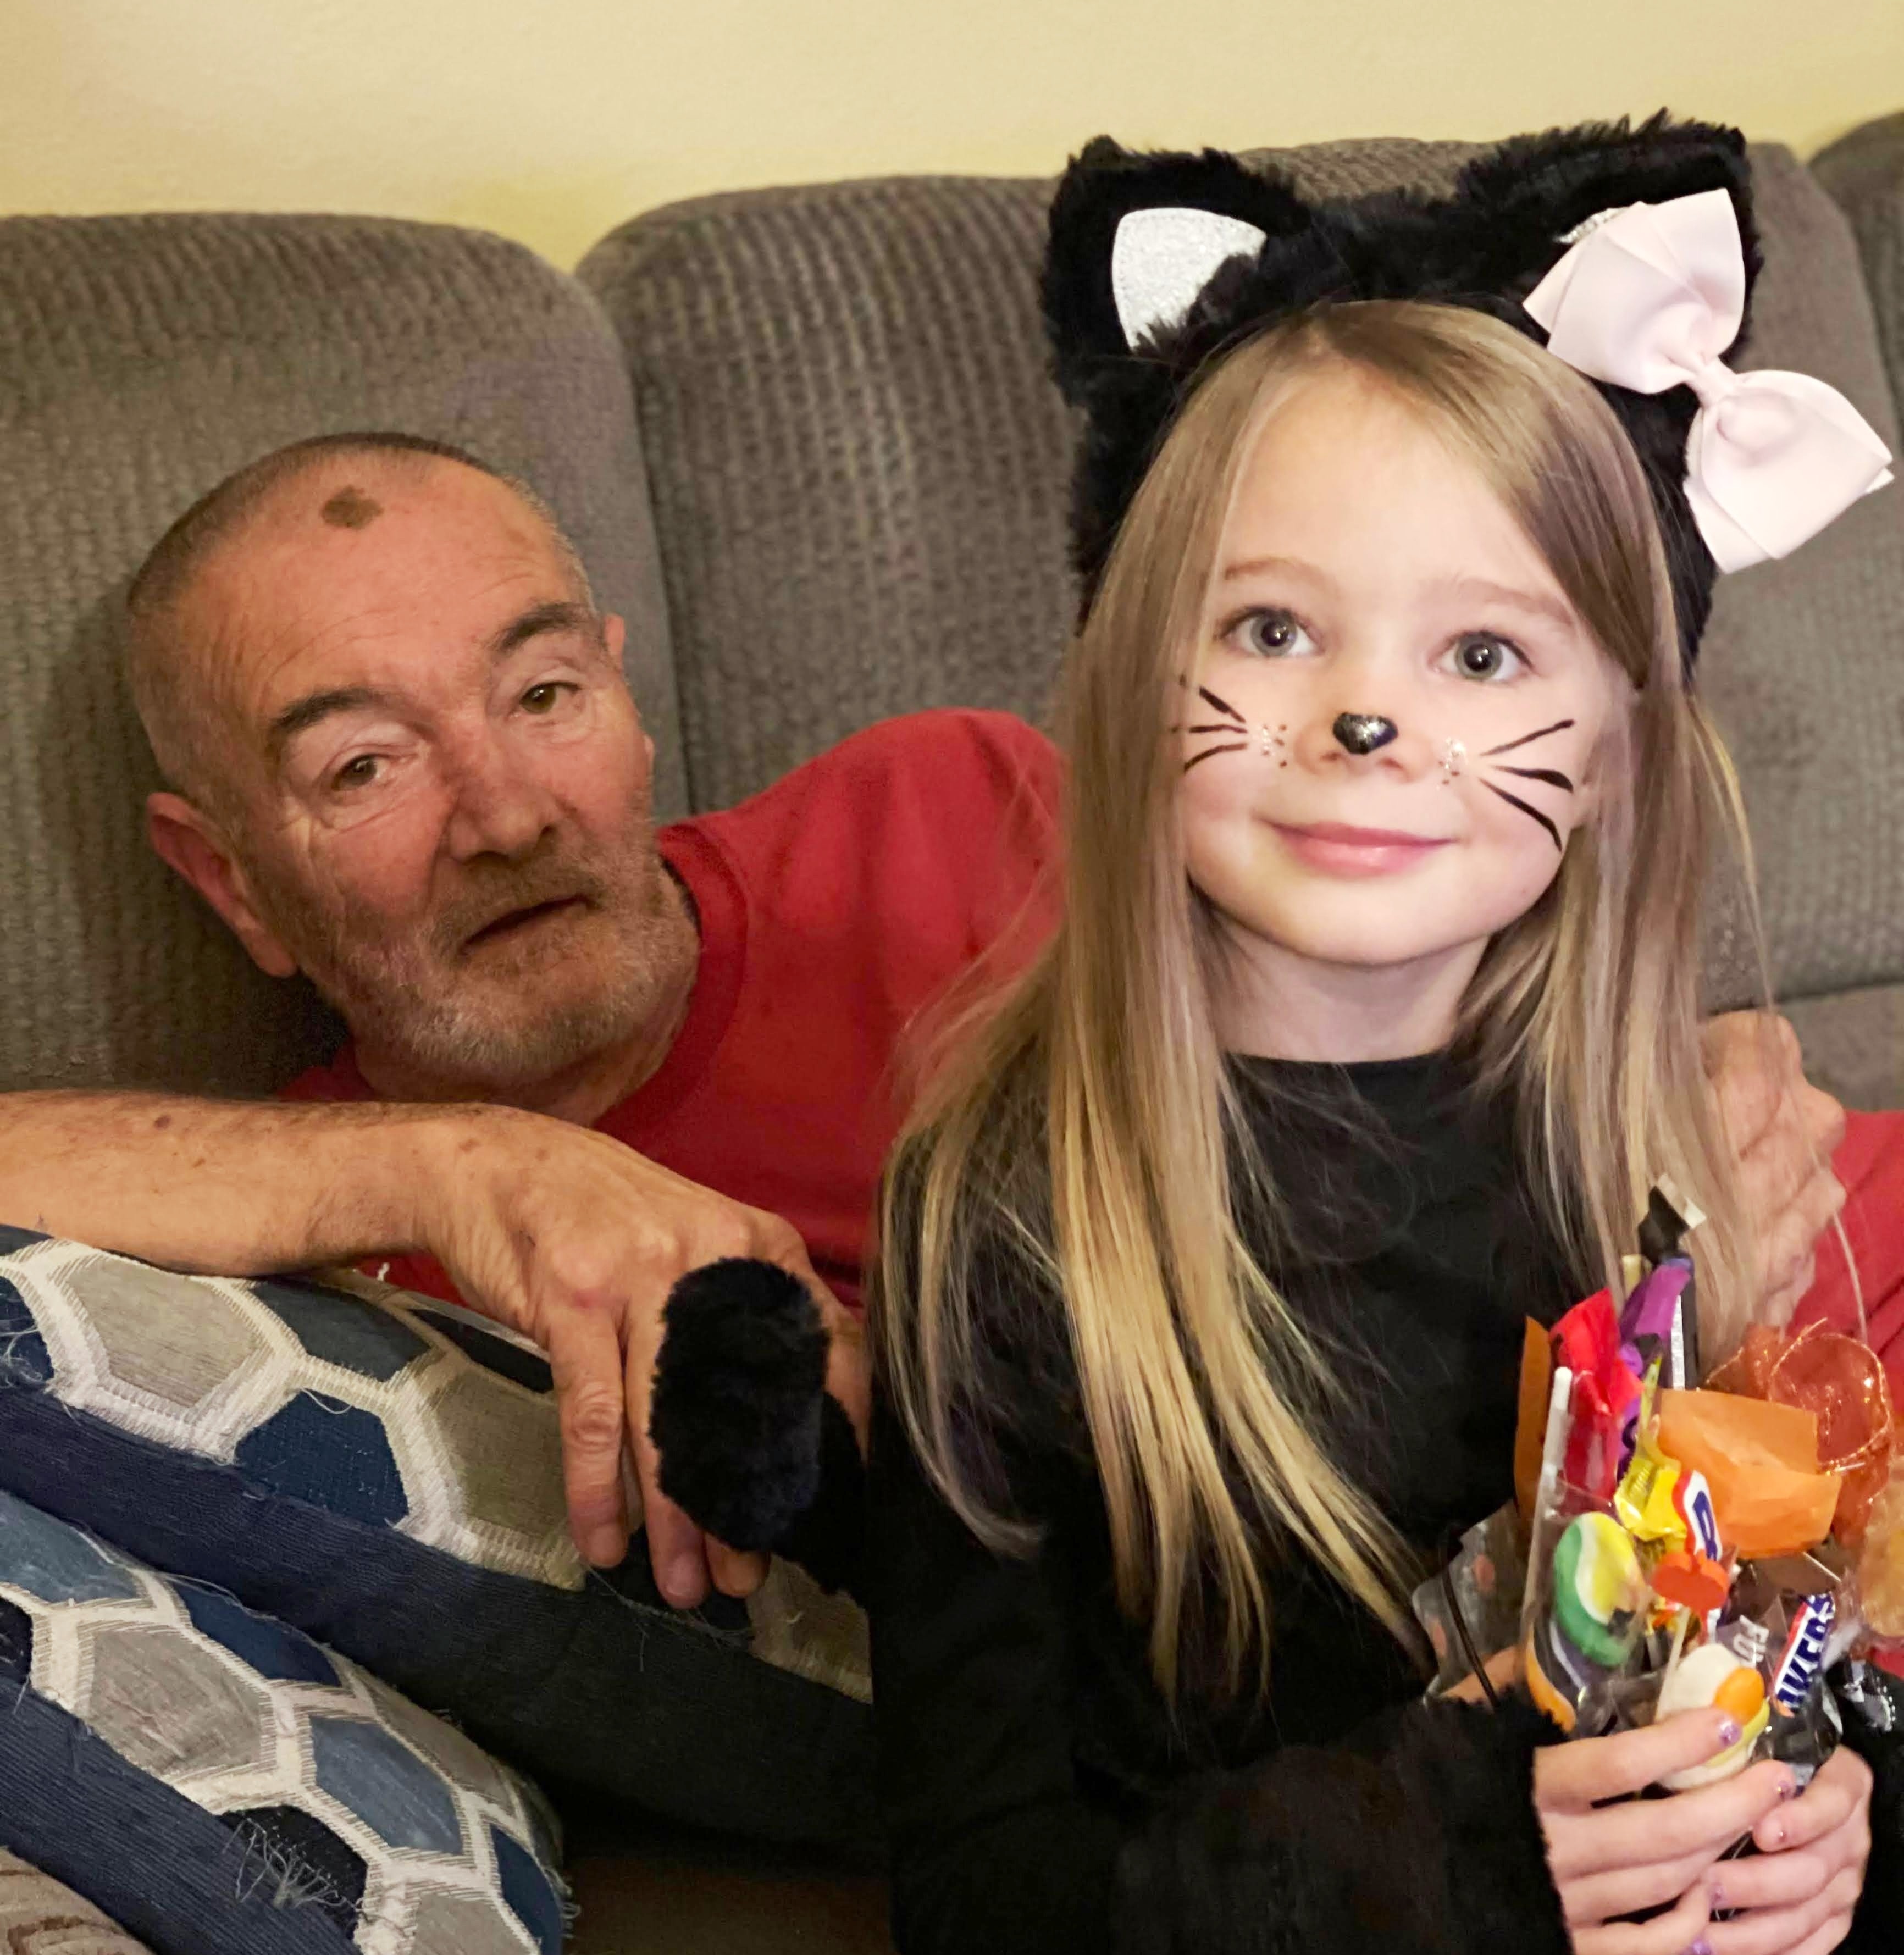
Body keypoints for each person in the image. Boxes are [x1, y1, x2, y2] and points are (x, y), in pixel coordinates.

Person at [0, 413, 1858, 1609]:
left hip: (1794, 1303)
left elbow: (1477, 985)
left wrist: (1655, 1081)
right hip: (1642, 1584)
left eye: (544, 693)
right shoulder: (310, 1245)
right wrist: (473, 1164)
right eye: (364, 764)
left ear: (626, 702)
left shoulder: (944, 801)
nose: (507, 812)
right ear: (228, 879)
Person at [866, 123, 1903, 1955]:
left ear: (1618, 745)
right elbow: (978, 1894)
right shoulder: (999, 1212)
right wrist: (1428, 1859)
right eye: (1272, 627)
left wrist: (1832, 1819)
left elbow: (1782, 1617)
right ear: (1128, 672)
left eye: (1484, 657)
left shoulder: (1668, 1158)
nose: (1362, 721)